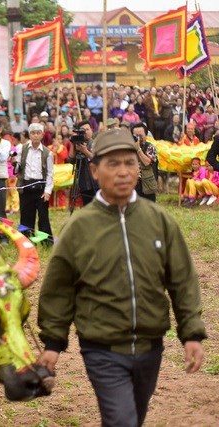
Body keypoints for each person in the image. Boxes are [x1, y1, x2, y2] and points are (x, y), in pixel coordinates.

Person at [37, 128, 206, 427]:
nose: (123, 171)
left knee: (131, 418)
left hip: (150, 346)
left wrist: (191, 333)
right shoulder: (80, 228)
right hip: (101, 348)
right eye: (112, 164)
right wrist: (53, 341)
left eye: (129, 163)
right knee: (122, 421)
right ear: (94, 170)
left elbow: (181, 279)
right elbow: (58, 289)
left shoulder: (159, 221)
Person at [13, 122, 54, 245]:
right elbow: (17, 169)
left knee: (43, 217)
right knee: (26, 216)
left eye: (38, 133)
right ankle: (27, 241)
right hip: (26, 187)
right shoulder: (21, 148)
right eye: (33, 133)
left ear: (42, 135)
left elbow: (50, 174)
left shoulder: (48, 153)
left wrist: (47, 191)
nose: (35, 136)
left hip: (41, 188)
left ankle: (46, 242)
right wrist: (14, 163)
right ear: (29, 135)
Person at [131, 123, 158, 202]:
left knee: (149, 210)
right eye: (135, 136)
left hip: (147, 184)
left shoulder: (150, 147)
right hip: (133, 183)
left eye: (140, 135)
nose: (138, 138)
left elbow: (147, 162)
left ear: (146, 135)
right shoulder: (129, 148)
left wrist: (138, 149)